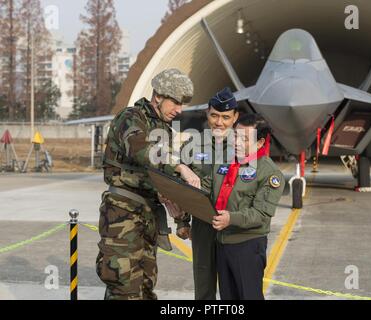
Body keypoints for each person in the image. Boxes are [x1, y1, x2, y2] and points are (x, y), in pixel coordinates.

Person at [96, 68, 201, 300]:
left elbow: (167, 181)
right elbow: (141, 151)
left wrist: (182, 220)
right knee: (124, 287)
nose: (179, 110)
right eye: (175, 102)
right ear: (158, 97)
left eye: (182, 104)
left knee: (144, 286)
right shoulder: (130, 118)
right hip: (122, 215)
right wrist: (179, 166)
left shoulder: (164, 129)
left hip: (148, 217)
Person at [212, 113, 285, 300]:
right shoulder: (226, 161)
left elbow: (261, 214)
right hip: (223, 244)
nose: (236, 142)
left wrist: (231, 218)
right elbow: (207, 187)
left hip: (247, 247)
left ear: (260, 143)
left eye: (244, 139)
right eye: (235, 135)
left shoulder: (269, 173)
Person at [178, 87, 239, 300]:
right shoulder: (192, 146)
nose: (219, 122)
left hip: (234, 225)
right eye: (214, 115)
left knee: (233, 287)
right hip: (203, 225)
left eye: (225, 117)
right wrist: (182, 222)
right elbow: (180, 187)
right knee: (203, 285)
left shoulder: (244, 147)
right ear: (207, 113)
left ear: (235, 117)